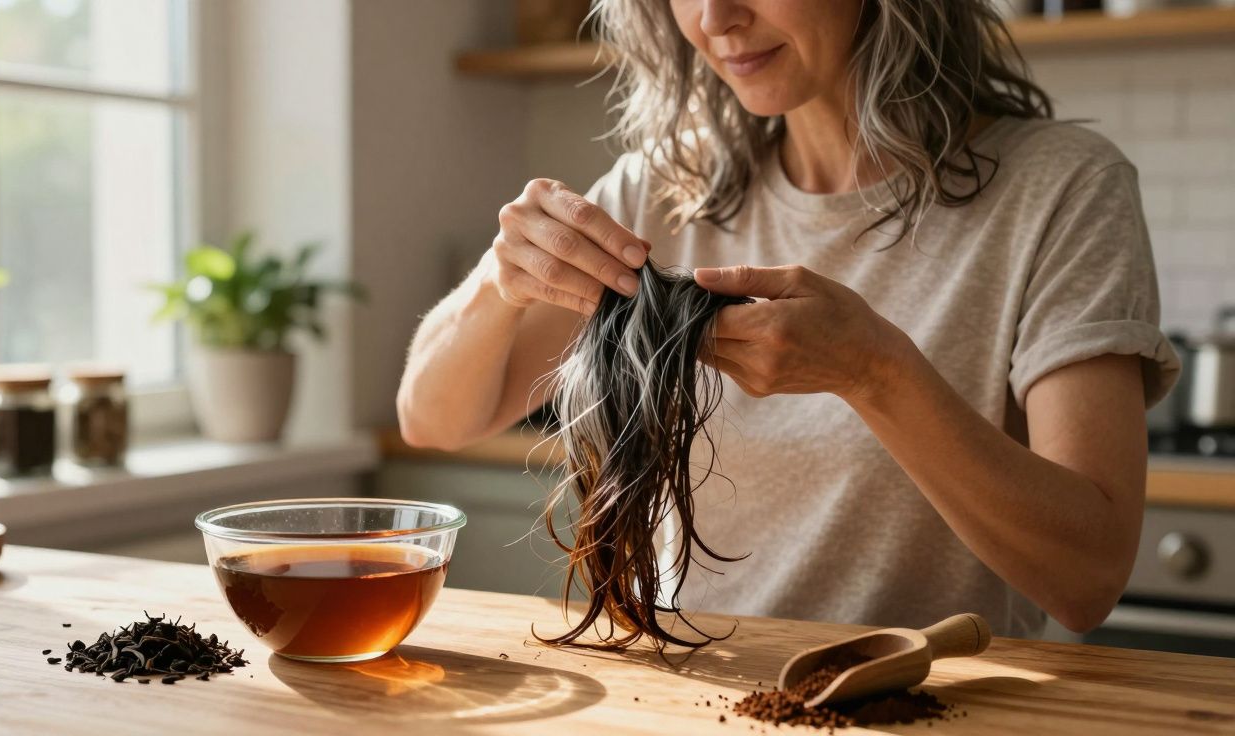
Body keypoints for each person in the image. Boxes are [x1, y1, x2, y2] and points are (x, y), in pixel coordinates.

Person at [396, 0, 1180, 639]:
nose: (714, 17)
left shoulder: (1063, 191)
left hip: (931, 708)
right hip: (691, 706)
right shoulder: (667, 189)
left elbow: (1089, 577)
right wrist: (499, 283)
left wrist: (874, 372)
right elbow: (432, 417)